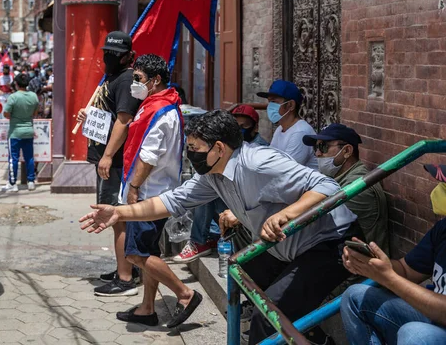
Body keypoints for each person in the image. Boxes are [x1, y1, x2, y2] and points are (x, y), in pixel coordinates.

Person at [80, 110, 357, 340]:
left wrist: (288, 214)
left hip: (331, 244)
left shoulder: (260, 163)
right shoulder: (213, 175)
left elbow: (328, 186)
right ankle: (314, 336)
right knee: (242, 272)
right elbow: (169, 202)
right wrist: (120, 213)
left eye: (195, 149)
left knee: (267, 315)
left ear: (219, 148)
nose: (191, 156)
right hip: (286, 247)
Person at [102, 54, 201, 326]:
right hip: (155, 191)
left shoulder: (160, 111)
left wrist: (133, 187)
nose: (135, 83)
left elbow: (148, 156)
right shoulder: (159, 104)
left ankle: (185, 293)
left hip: (149, 194)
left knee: (136, 254)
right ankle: (147, 309)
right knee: (149, 253)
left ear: (155, 80)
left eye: (138, 79)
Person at [341, 164, 446, 345]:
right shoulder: (443, 229)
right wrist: (371, 264)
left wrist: (388, 278)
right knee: (354, 296)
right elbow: (406, 270)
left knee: (415, 334)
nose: (438, 191)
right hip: (433, 318)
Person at [76, 31, 142, 293]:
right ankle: (125, 267)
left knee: (117, 216)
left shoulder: (126, 79)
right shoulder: (113, 78)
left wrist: (107, 155)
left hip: (114, 162)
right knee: (116, 215)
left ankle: (125, 279)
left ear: (127, 56)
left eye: (114, 54)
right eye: (106, 53)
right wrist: (89, 114)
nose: (108, 58)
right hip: (107, 158)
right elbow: (109, 113)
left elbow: (123, 120)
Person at [173, 105, 267, 264]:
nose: (241, 130)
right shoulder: (221, 157)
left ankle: (201, 241)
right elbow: (177, 198)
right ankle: (201, 240)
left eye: (245, 126)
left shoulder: (258, 154)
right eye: (237, 126)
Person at [303, 123, 389, 253]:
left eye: (323, 146)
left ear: (347, 151)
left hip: (361, 266)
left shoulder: (357, 186)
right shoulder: (335, 177)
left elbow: (317, 224)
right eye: (316, 147)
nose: (317, 153)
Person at [257, 80, 318, 170]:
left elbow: (286, 170)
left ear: (290, 105)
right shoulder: (280, 129)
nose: (270, 106)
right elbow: (270, 158)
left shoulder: (300, 132)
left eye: (274, 102)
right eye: (269, 102)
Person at [3, 73, 39, 192]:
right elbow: (35, 113)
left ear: (16, 84)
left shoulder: (13, 97)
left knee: (13, 158)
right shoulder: (34, 96)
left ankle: (12, 183)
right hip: (29, 130)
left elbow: (6, 114)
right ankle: (31, 181)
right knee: (29, 158)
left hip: (15, 132)